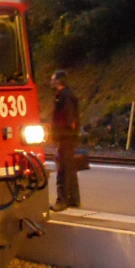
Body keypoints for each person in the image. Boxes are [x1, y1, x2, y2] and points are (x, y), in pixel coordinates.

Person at [51, 69, 80, 210]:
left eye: (53, 79)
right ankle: (74, 198)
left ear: (58, 81)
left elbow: (68, 120)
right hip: (67, 137)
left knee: (63, 169)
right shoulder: (65, 95)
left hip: (66, 137)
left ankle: (62, 201)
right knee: (70, 168)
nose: (51, 81)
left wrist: (61, 134)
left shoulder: (65, 97)